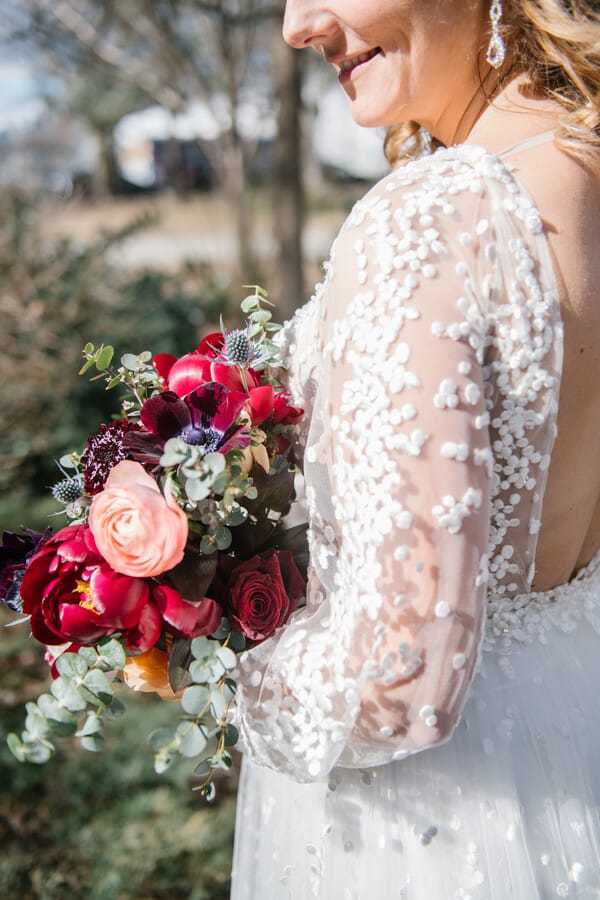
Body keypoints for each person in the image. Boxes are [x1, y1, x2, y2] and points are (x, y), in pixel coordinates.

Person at [230, 0, 600, 896]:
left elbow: (403, 683)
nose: (297, 25)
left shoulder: (431, 219)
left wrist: (221, 670)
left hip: (440, 819)